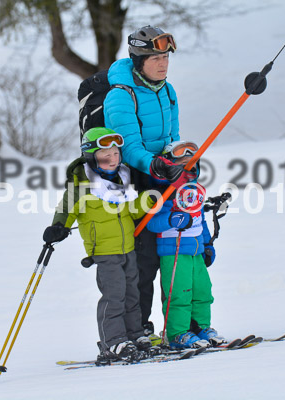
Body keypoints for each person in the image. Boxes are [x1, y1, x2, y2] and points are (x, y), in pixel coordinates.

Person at [103, 25, 196, 340]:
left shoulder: (167, 91)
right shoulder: (121, 94)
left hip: (163, 176)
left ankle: (184, 325)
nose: (163, 63)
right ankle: (139, 328)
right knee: (144, 259)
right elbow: (128, 146)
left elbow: (172, 139)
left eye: (165, 56)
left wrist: (180, 160)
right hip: (136, 179)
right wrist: (156, 164)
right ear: (138, 60)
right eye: (155, 57)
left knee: (175, 249)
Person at [42, 127, 158, 363]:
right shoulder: (82, 184)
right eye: (105, 156)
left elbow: (132, 212)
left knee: (132, 295)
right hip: (104, 251)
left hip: (128, 248)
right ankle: (112, 342)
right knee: (114, 296)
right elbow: (67, 208)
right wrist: (58, 226)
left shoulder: (122, 180)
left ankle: (135, 335)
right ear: (91, 157)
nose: (112, 160)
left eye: (115, 154)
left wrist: (149, 199)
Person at [145, 141, 225, 349]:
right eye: (182, 165)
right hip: (174, 251)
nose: (188, 170)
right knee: (179, 293)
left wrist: (207, 244)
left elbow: (201, 221)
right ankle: (177, 333)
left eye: (192, 164)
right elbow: (151, 222)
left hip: (196, 251)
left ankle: (201, 328)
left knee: (203, 291)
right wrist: (171, 220)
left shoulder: (195, 191)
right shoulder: (164, 193)